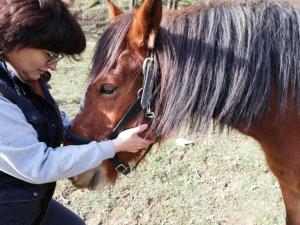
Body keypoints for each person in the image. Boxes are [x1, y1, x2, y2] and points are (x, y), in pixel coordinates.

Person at [0, 0, 153, 225]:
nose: (54, 66)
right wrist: (114, 146)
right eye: (49, 54)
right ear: (18, 40)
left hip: (26, 203)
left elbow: (46, 122)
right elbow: (38, 165)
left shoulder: (25, 79)